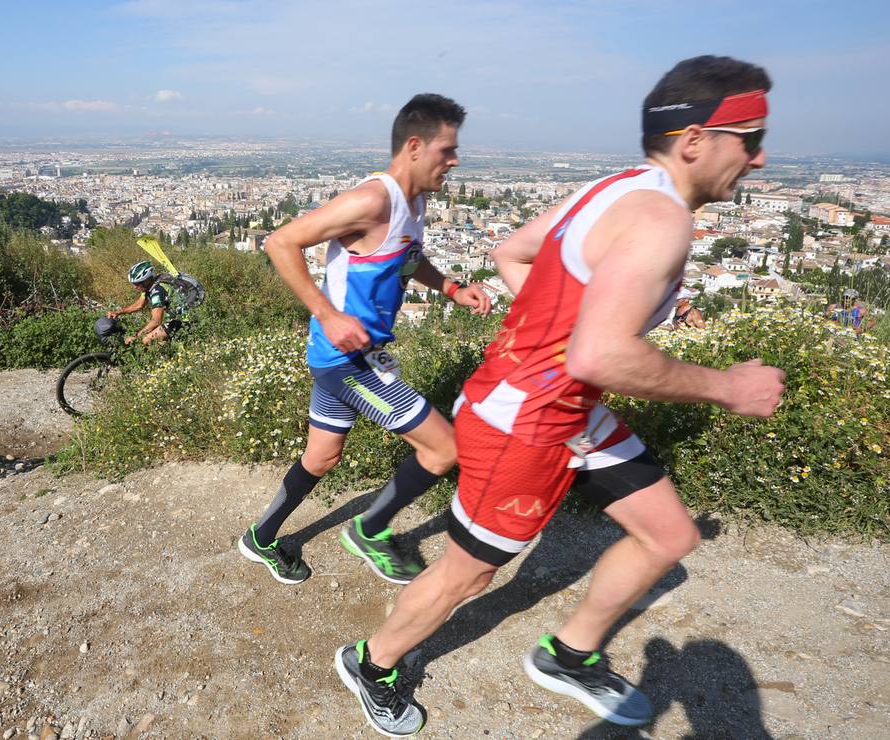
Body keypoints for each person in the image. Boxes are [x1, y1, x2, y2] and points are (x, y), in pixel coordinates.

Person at [335, 56, 787, 736]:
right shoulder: (659, 218)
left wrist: (557, 341)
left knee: (668, 534)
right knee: (467, 574)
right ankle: (372, 663)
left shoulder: (615, 187)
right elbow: (600, 355)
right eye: (750, 139)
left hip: (565, 407)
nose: (758, 158)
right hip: (520, 422)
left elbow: (512, 254)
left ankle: (569, 656)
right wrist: (727, 387)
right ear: (694, 140)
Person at [240, 93, 492, 587]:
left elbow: (408, 256)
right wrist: (328, 315)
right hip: (346, 359)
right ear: (415, 147)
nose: (455, 161)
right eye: (447, 150)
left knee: (322, 457)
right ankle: (369, 530)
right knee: (444, 449)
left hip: (356, 354)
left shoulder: (414, 202)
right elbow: (280, 241)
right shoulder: (373, 200)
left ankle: (260, 537)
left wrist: (451, 287)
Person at [108, 261, 182, 345]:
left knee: (145, 340)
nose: (134, 287)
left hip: (184, 320)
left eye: (137, 284)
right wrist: (118, 312)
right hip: (178, 316)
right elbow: (140, 304)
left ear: (146, 281)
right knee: (150, 333)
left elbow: (156, 321)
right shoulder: (152, 285)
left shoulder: (157, 291)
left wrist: (136, 336)